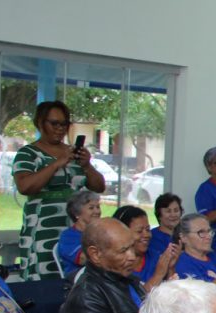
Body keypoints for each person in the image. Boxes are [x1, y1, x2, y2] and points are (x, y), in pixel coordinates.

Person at [13, 100, 106, 280]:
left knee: (74, 272)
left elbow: (99, 186)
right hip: (43, 227)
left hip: (75, 226)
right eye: (54, 123)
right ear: (40, 123)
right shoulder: (28, 153)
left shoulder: (72, 153)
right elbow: (24, 186)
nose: (60, 128)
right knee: (44, 277)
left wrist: (86, 165)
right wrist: (56, 163)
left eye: (64, 124)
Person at [60, 218, 148, 313]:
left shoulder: (125, 279)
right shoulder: (86, 297)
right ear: (95, 254)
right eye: (123, 251)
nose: (132, 256)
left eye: (132, 247)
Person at [113, 205, 180, 292]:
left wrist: (171, 267)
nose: (147, 235)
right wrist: (158, 274)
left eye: (148, 230)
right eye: (139, 231)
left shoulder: (156, 257)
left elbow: (172, 295)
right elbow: (136, 302)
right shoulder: (114, 264)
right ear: (122, 233)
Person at [57, 190, 102, 278]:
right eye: (91, 208)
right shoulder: (68, 236)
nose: (97, 211)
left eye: (98, 207)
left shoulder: (102, 232)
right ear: (77, 213)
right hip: (81, 283)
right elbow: (83, 259)